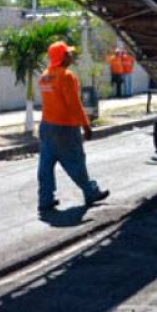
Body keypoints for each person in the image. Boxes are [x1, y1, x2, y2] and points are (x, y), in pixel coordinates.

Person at [38, 42, 110, 214]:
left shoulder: (44, 76)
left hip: (47, 126)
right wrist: (86, 126)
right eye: (68, 54)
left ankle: (45, 199)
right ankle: (90, 192)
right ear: (62, 57)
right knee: (75, 162)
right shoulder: (66, 76)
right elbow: (74, 105)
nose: (71, 56)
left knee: (46, 165)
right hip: (65, 128)